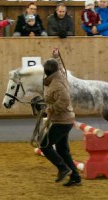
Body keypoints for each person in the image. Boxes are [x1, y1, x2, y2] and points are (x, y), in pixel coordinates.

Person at [40, 56, 82, 187]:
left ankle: (63, 168)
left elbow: (64, 101)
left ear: (47, 72)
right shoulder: (61, 76)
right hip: (65, 120)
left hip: (61, 121)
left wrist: (49, 110)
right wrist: (56, 57)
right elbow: (60, 67)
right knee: (62, 150)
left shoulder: (57, 84)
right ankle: (75, 177)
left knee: (45, 145)